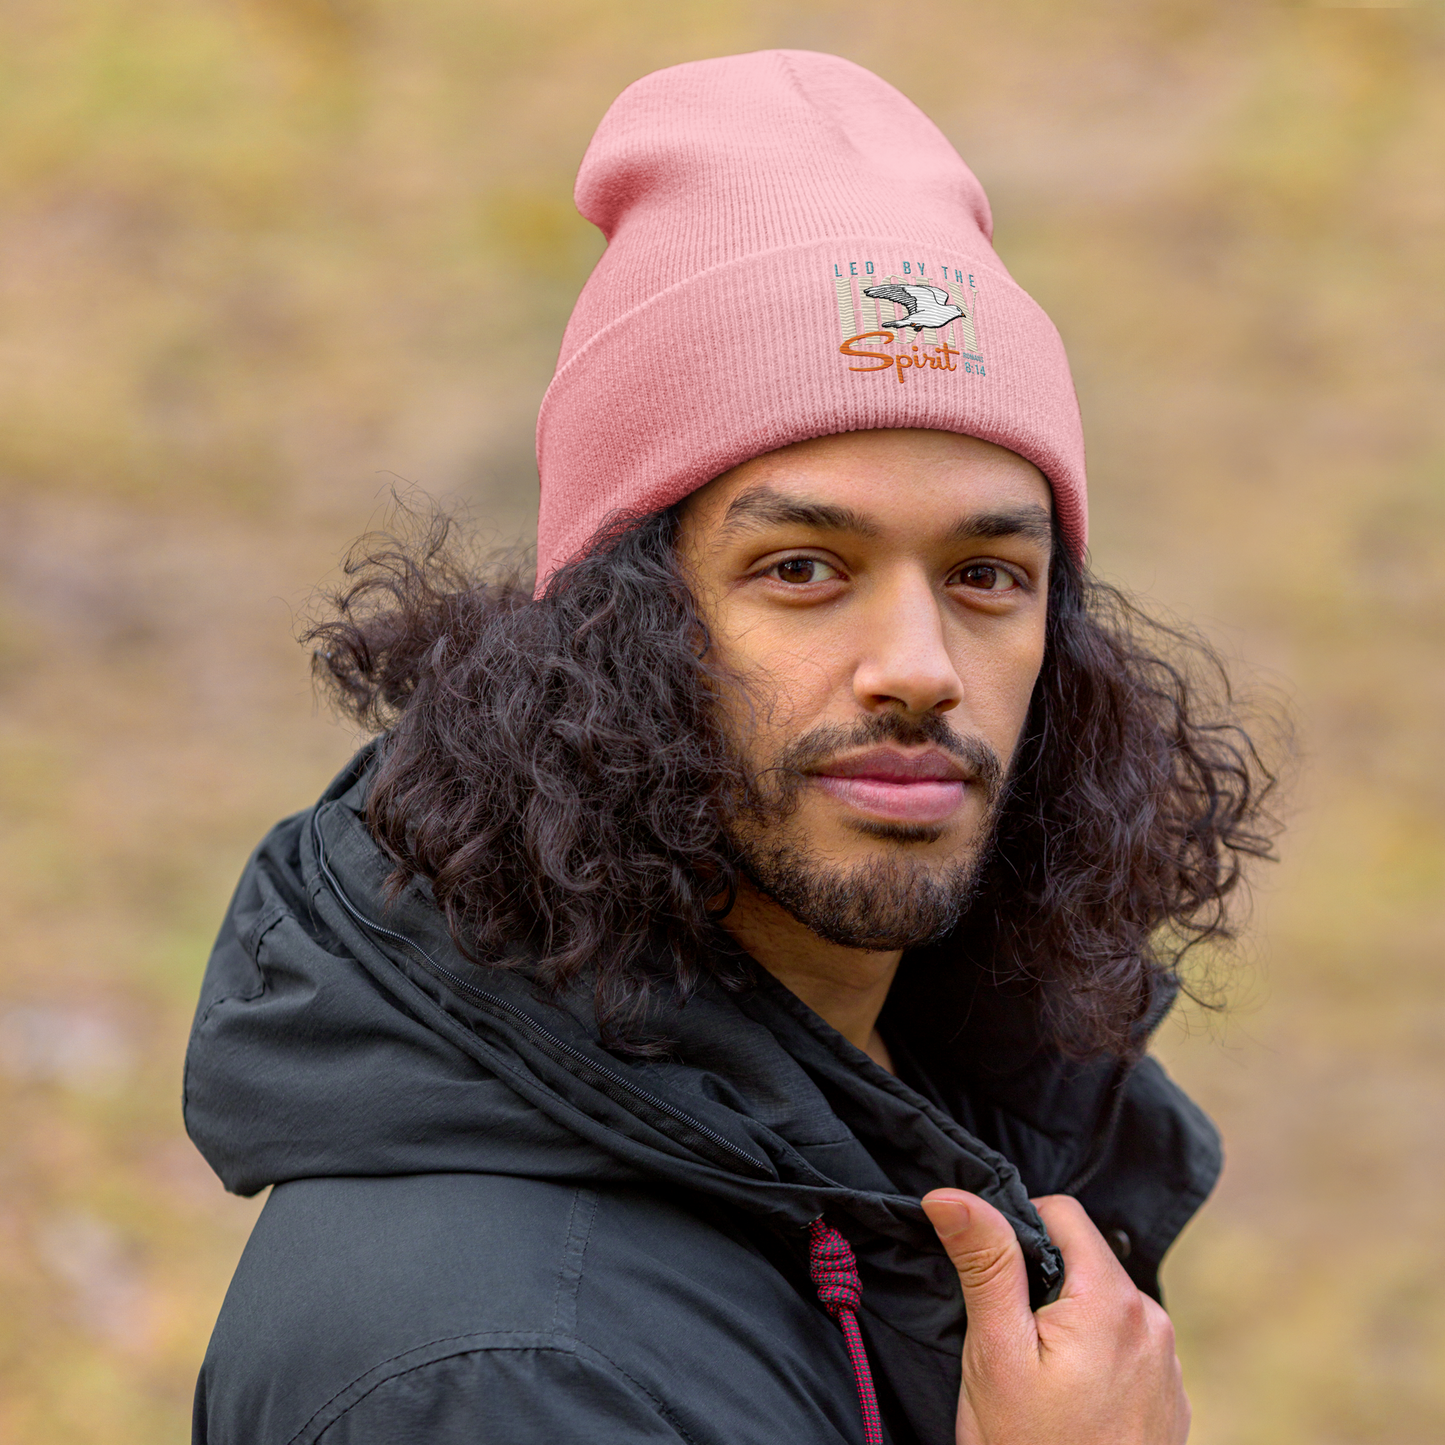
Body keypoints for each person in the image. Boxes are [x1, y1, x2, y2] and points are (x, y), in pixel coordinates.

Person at [186, 50, 1277, 1445]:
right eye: (805, 569)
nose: (920, 670)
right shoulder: (500, 1371)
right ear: (616, 633)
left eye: (987, 576)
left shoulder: (924, 1109)